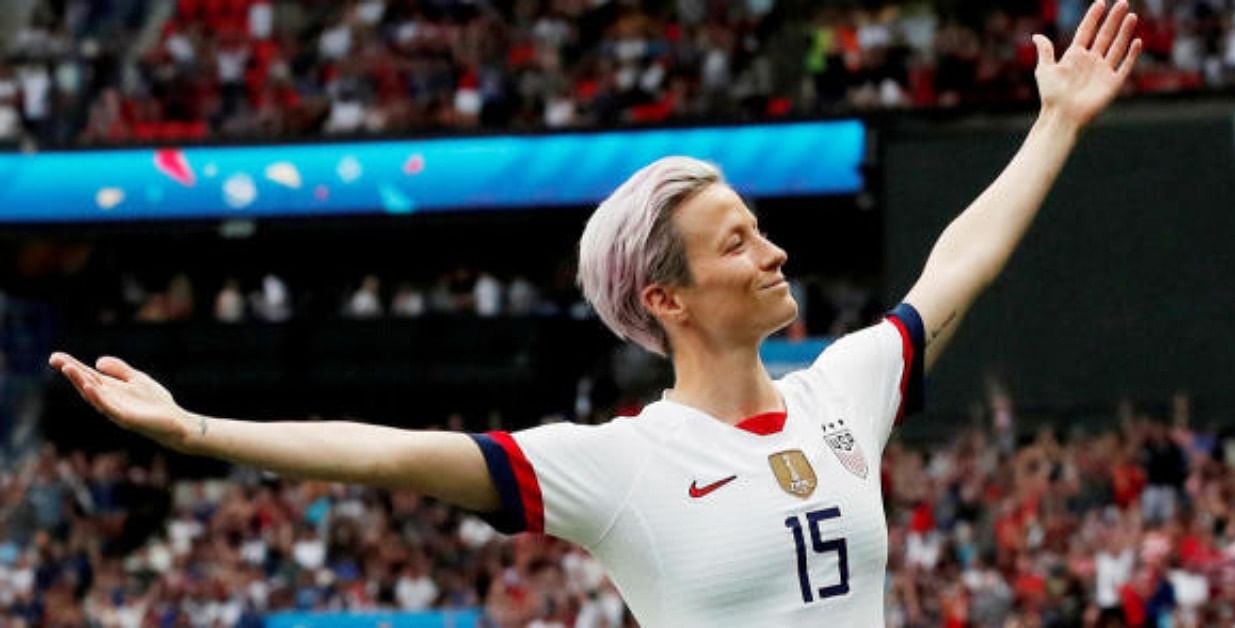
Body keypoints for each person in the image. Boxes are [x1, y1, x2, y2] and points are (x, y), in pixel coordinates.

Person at [49, 3, 1142, 624]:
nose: (772, 252)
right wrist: (194, 432)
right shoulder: (618, 465)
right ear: (664, 298)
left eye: (759, 229)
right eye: (736, 243)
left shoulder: (843, 389)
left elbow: (959, 263)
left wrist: (1054, 126)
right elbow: (384, 454)